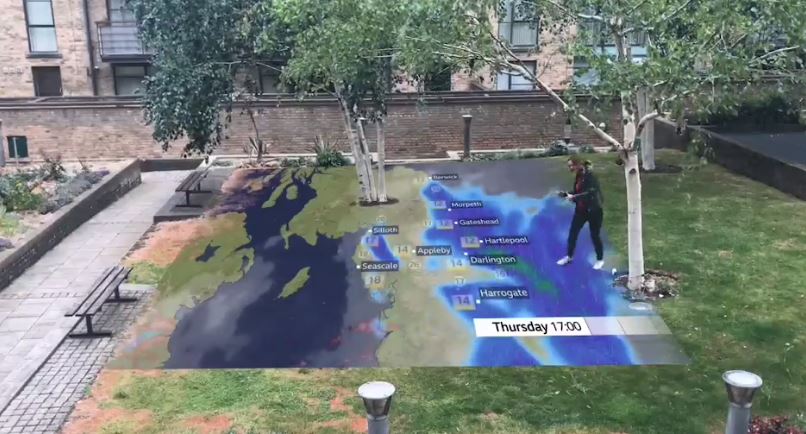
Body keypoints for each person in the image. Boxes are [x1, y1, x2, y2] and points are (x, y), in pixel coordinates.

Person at [556, 155, 605, 270]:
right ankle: (569, 257)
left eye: (571, 166)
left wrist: (574, 197)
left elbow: (590, 193)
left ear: (578, 165)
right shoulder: (578, 176)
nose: (570, 168)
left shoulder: (590, 176)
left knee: (595, 235)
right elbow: (578, 191)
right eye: (569, 166)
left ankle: (600, 260)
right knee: (573, 233)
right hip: (581, 210)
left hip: (594, 210)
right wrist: (567, 194)